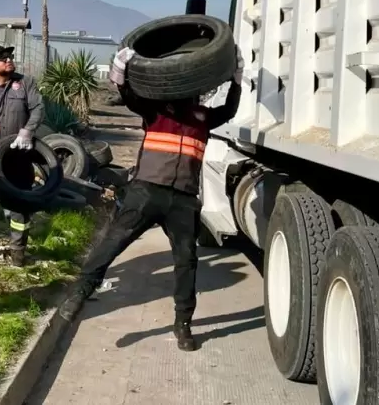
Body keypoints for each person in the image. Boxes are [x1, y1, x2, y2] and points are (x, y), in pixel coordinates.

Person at [58, 45, 245, 352]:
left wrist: (236, 80)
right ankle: (80, 292)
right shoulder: (156, 111)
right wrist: (120, 71)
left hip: (183, 200)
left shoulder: (203, 117)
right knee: (112, 242)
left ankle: (183, 324)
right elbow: (129, 97)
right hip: (146, 191)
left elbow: (229, 111)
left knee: (187, 263)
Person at [0, 45, 43, 266]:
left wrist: (27, 131)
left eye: (10, 57)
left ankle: (18, 252)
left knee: (19, 201)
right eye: (2, 59)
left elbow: (38, 108)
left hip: (18, 153)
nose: (9, 60)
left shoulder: (25, 83)